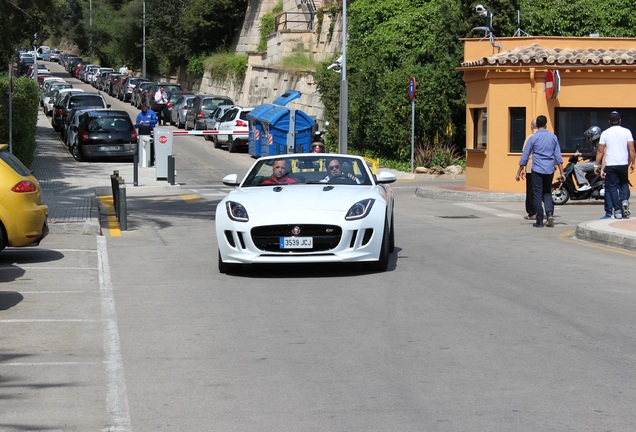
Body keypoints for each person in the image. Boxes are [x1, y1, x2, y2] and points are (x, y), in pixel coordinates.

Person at [516, 115, 565, 228]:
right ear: (546, 125)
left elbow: (525, 156)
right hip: (549, 169)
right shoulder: (553, 137)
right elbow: (558, 156)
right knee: (547, 192)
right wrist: (562, 172)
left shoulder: (533, 138)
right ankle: (549, 214)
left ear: (536, 126)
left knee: (537, 194)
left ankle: (539, 220)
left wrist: (519, 171)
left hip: (537, 169)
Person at [595, 111, 635, 219]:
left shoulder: (605, 133)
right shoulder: (626, 132)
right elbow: (631, 148)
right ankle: (625, 201)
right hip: (623, 163)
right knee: (624, 183)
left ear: (609, 121)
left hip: (611, 164)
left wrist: (596, 165)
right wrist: (633, 163)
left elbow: (600, 150)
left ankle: (617, 210)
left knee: (612, 187)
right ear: (620, 120)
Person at [516, 119, 538, 220]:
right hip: (545, 168)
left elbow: (525, 155)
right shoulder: (548, 137)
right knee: (541, 191)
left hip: (531, 167)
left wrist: (521, 169)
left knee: (531, 192)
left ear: (531, 126)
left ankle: (532, 213)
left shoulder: (530, 138)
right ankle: (543, 211)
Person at [573, 126, 601, 191]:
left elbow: (593, 154)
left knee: (577, 167)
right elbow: (593, 154)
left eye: (590, 135)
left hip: (599, 163)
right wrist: (582, 158)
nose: (589, 137)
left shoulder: (599, 143)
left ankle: (583, 184)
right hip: (596, 162)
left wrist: (581, 154)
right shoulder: (596, 143)